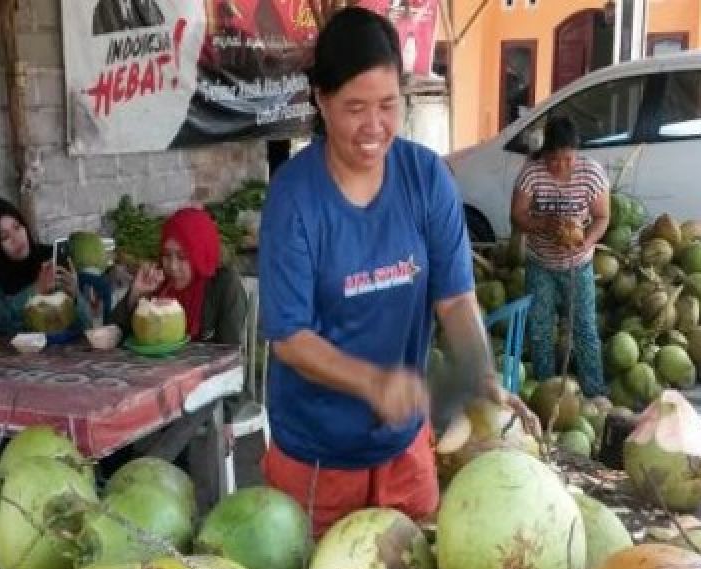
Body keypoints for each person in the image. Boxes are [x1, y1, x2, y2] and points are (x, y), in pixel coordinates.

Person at [258, 7, 539, 536]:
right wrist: (374, 382)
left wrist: (479, 369)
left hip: (407, 453)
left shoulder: (425, 176)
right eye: (355, 107)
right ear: (322, 99)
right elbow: (290, 338)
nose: (374, 126)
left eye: (389, 105)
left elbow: (455, 299)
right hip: (318, 461)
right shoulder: (294, 199)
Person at [510, 115, 610, 398]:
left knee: (585, 329)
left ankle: (594, 392)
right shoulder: (532, 173)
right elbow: (517, 216)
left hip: (579, 265)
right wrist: (543, 223)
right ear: (545, 153)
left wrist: (586, 241)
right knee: (540, 330)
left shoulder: (591, 174)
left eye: (568, 159)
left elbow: (603, 216)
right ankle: (546, 391)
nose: (562, 166)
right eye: (555, 160)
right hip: (540, 264)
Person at [110, 207, 248, 346]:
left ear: (200, 256)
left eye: (182, 257)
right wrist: (135, 295)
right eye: (167, 255)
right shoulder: (157, 282)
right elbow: (111, 336)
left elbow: (229, 352)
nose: (172, 266)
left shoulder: (224, 285)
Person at [0, 197, 95, 336]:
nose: (16, 238)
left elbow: (87, 326)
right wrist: (36, 290)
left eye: (17, 227)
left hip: (67, 352)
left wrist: (75, 296)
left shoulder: (50, 259)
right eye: (5, 237)